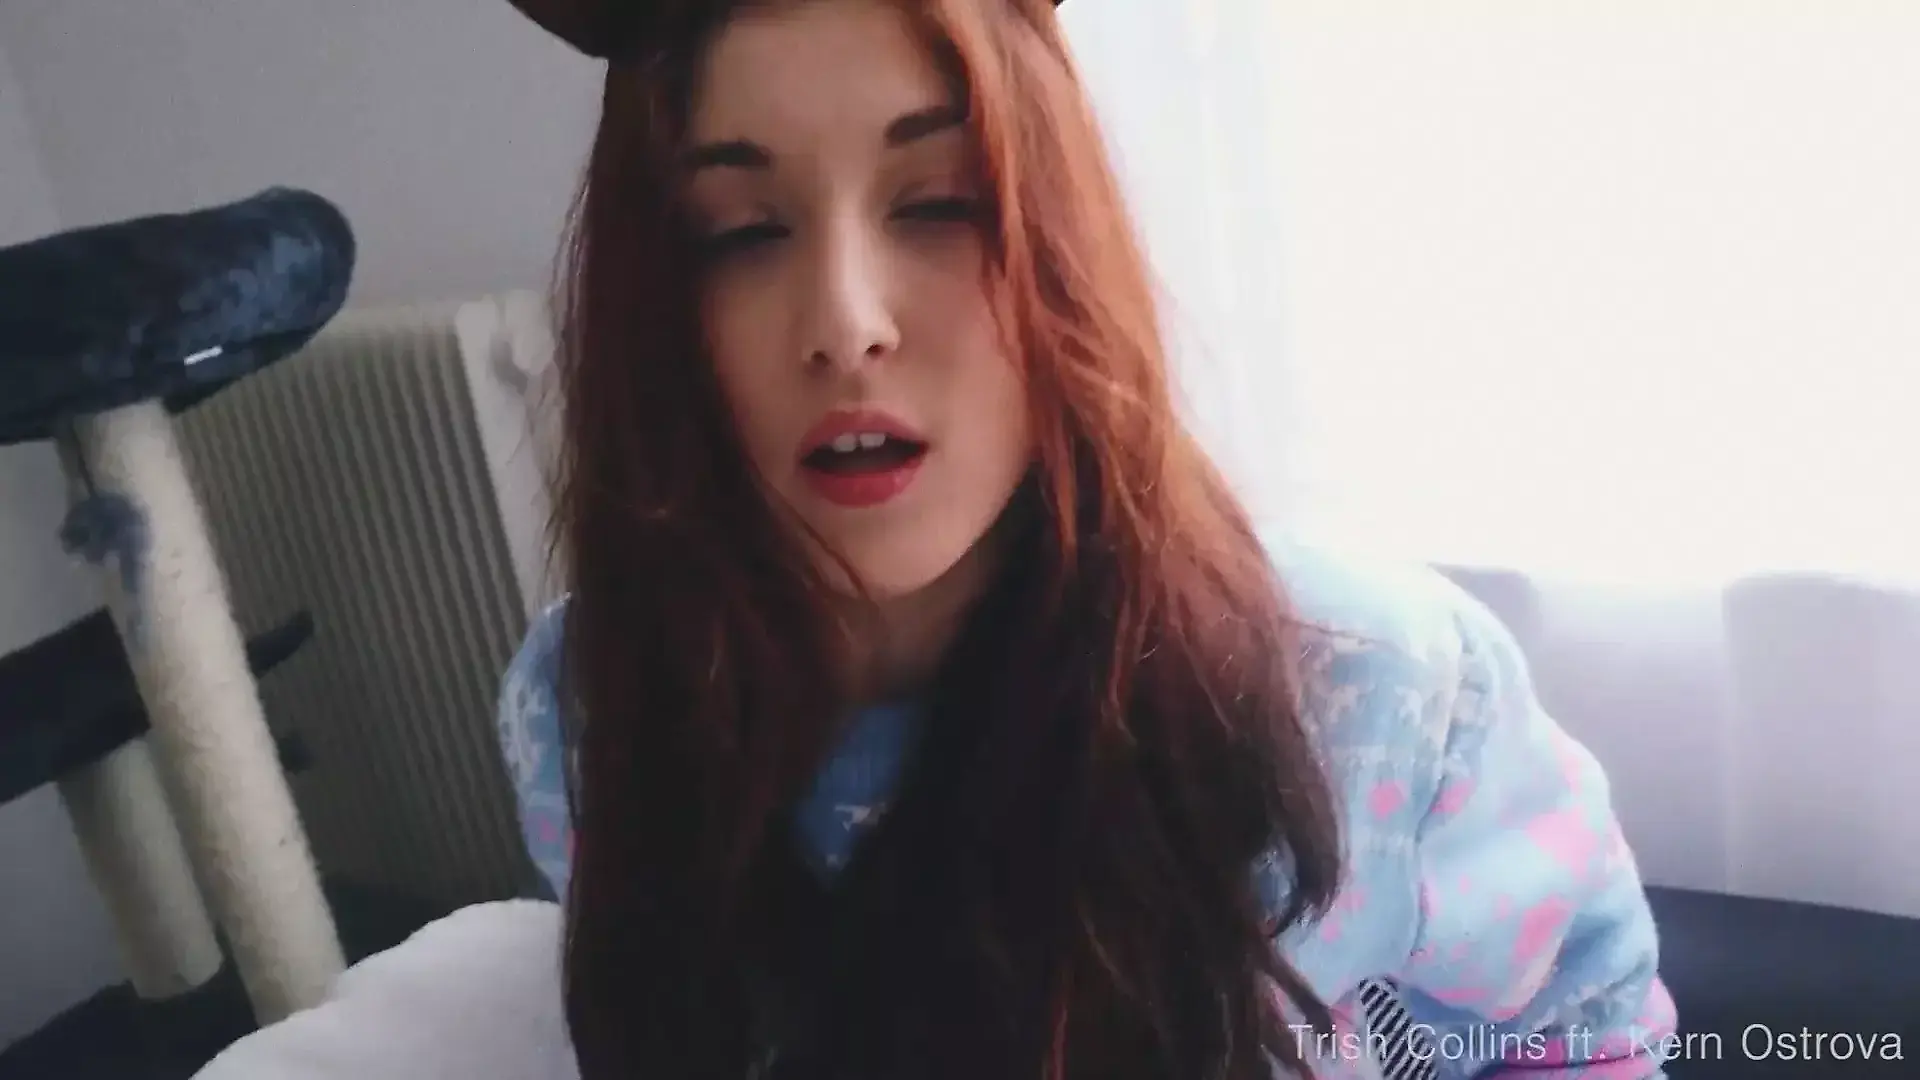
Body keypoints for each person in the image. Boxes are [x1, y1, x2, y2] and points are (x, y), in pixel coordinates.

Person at [197, 1, 1676, 1078]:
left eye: (940, 204)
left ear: (1059, 244)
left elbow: (1585, 1032)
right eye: (743, 231)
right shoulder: (584, 709)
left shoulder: (1372, 691)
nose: (846, 322)